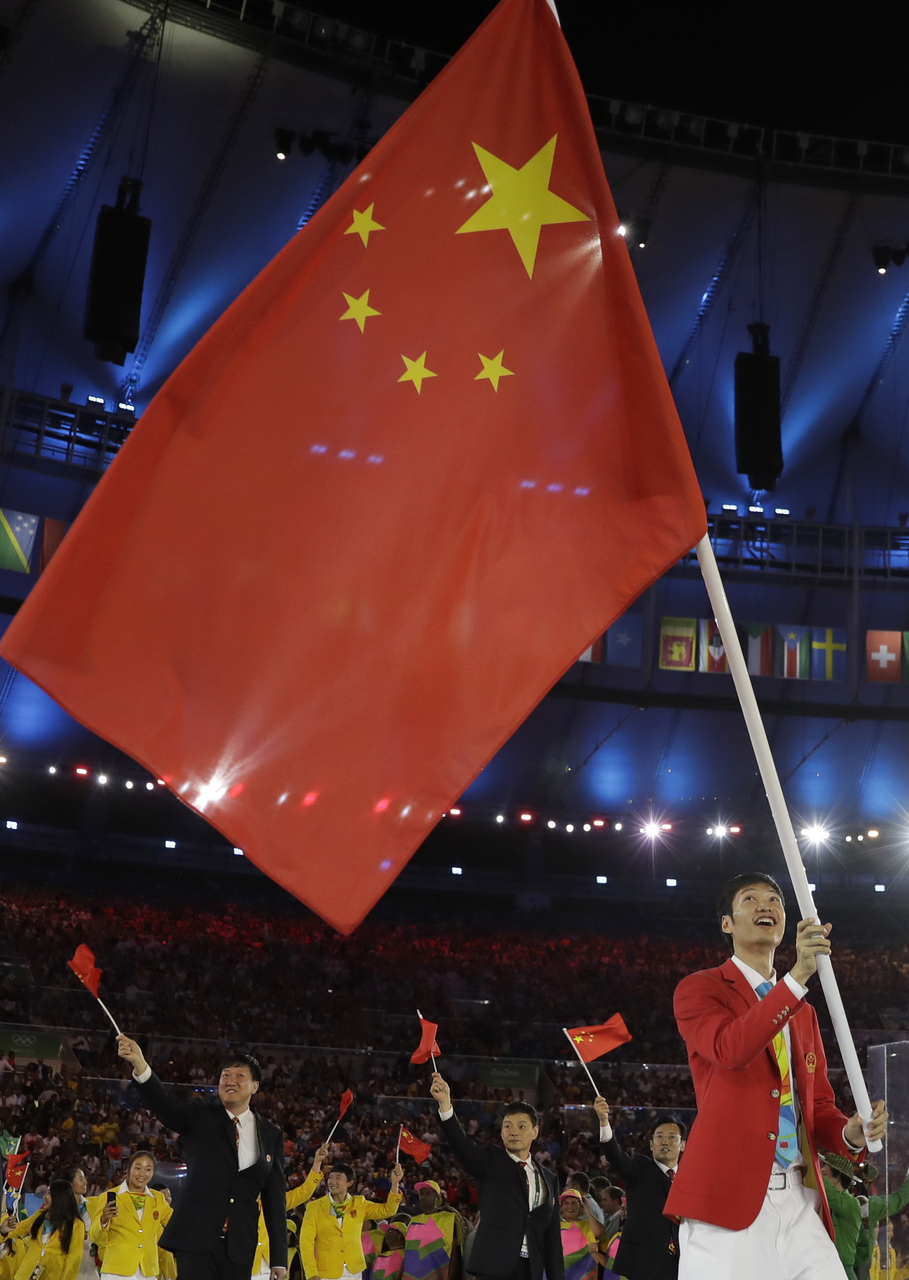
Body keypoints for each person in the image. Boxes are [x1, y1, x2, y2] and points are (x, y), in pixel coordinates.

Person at [666, 872, 888, 1280]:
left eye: (774, 900)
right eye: (749, 899)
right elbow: (729, 1049)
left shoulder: (802, 1012)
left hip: (801, 1195)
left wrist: (850, 1134)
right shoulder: (701, 989)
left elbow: (817, 1106)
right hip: (729, 1196)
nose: (765, 905)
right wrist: (797, 979)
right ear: (726, 923)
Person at [117, 1034, 287, 1280]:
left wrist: (279, 1259)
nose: (230, 1081)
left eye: (240, 1076)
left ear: (255, 1086)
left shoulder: (272, 1134)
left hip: (240, 1247)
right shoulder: (201, 1114)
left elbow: (275, 1199)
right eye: (225, 1075)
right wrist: (141, 1066)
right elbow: (167, 1106)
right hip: (196, 1240)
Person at [429, 1071, 564, 1280]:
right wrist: (446, 1107)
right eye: (507, 1126)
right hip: (493, 1268)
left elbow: (553, 1238)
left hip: (530, 1270)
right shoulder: (491, 1160)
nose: (513, 1132)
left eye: (521, 1126)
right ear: (501, 1133)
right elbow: (464, 1147)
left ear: (535, 1132)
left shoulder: (550, 1178)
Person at [592, 1101, 682, 1279]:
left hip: (680, 1264)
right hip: (644, 1265)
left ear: (683, 1145)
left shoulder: (690, 1178)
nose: (665, 1141)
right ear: (651, 1145)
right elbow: (616, 1157)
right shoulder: (640, 1169)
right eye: (659, 1136)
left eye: (672, 1137)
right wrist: (604, 1121)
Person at [299, 1159, 404, 1280]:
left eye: (338, 1178)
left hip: (354, 1271)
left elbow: (388, 1210)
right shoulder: (314, 1207)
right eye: (330, 1177)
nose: (332, 1181)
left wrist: (395, 1183)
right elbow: (306, 1242)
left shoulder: (359, 1203)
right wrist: (311, 1272)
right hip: (326, 1273)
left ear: (349, 1183)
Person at [87, 1149, 172, 1280]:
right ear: (129, 1169)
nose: (142, 1174)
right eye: (138, 1168)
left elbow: (175, 1224)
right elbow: (94, 1236)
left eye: (148, 1169)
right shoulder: (109, 1197)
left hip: (148, 1271)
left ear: (153, 1173)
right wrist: (103, 1220)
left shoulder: (158, 1199)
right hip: (116, 1271)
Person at [1, 1178, 85, 1280]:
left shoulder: (76, 1225)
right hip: (25, 1275)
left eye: (49, 1193)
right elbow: (17, 1229)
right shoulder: (39, 1216)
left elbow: (74, 1260)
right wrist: (3, 1230)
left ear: (59, 1196)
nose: (44, 1197)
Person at [401, 1179, 465, 1280]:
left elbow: (454, 1252)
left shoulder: (448, 1219)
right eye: (421, 1194)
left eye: (427, 1193)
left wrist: (451, 1276)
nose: (423, 1197)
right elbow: (408, 1254)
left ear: (437, 1197)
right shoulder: (413, 1221)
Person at [819, 1153, 863, 1280]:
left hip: (843, 1270)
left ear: (837, 1177)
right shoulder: (826, 1203)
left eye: (824, 1169)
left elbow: (829, 1193)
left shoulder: (852, 1203)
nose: (821, 1169)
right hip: (826, 1267)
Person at [558, 1188, 605, 1280]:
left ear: (580, 1206)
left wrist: (587, 1211)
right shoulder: (555, 1226)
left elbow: (599, 1231)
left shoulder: (587, 1224)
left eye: (574, 1203)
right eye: (566, 1203)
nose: (570, 1206)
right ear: (561, 1207)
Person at [60, 1165, 96, 1279]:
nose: (85, 1182)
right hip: (66, 1264)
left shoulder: (93, 1205)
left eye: (85, 1178)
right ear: (70, 1184)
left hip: (89, 1265)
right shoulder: (59, 1210)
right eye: (81, 1179)